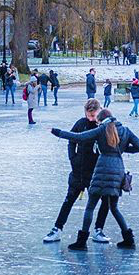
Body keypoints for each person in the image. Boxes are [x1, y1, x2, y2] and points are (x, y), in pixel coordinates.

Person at [51, 108, 139, 250]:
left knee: (90, 206)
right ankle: (128, 239)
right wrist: (121, 149)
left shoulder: (101, 130)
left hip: (101, 171)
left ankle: (81, 242)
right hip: (118, 171)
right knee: (114, 208)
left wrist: (56, 132)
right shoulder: (125, 131)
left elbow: (79, 137)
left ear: (101, 120)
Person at [43, 98, 111, 244]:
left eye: (93, 115)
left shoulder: (104, 127)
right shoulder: (81, 123)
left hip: (97, 172)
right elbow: (72, 140)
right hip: (79, 170)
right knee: (69, 200)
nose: (91, 118)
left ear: (99, 111)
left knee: (106, 200)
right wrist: (72, 158)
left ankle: (98, 229)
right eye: (88, 115)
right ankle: (57, 228)